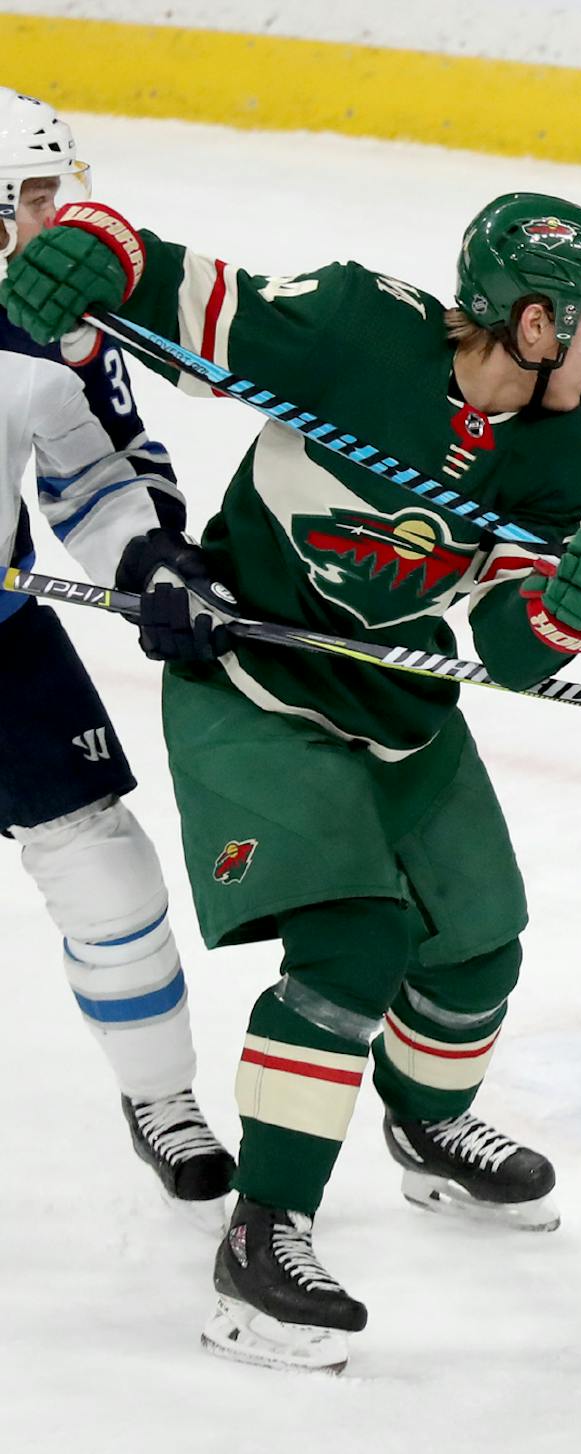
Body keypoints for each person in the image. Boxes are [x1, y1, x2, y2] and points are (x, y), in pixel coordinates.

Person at [1, 185, 581, 1373]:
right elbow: (186, 298)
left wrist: (569, 611)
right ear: (534, 321)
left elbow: (506, 644)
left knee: (478, 946)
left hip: (399, 704)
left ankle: (425, 1118)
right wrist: (90, 246)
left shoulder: (566, 457)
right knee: (352, 944)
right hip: (250, 676)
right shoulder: (358, 328)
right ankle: (263, 1241)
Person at [0, 88, 234, 1219]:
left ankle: (161, 1097)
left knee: (106, 867)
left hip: (3, 647)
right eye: (40, 195)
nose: (61, 216)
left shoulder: (55, 322)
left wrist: (148, 560)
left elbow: (94, 473)